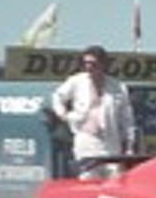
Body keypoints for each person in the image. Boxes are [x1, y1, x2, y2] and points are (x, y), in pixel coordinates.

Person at [51, 45, 136, 178]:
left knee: (114, 180)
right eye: (86, 63)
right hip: (86, 140)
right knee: (88, 180)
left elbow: (127, 119)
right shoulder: (76, 81)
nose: (89, 67)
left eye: (93, 63)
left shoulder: (118, 87)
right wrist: (64, 115)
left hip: (111, 143)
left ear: (103, 64)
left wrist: (129, 144)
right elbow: (58, 97)